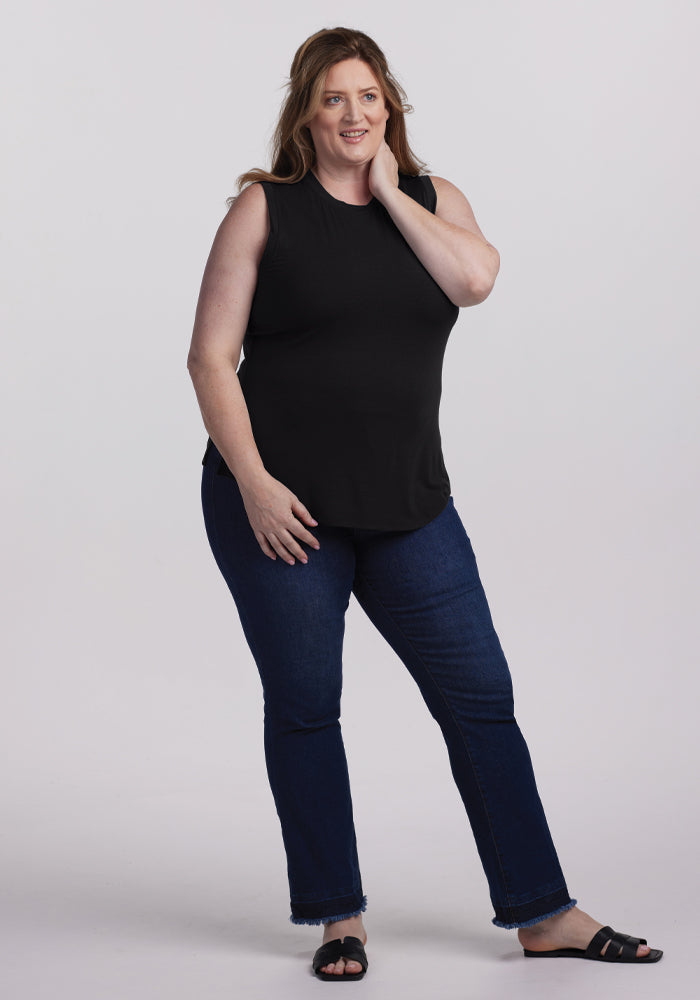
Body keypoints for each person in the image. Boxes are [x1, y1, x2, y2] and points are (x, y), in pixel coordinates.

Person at [187, 26, 662, 981]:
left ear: (391, 109)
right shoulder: (263, 209)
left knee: (481, 700)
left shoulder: (436, 202)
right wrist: (255, 485)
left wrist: (393, 193)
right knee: (308, 705)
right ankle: (337, 917)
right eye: (332, 99)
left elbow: (476, 280)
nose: (352, 114)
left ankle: (543, 910)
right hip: (285, 511)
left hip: (409, 504)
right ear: (305, 115)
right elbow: (210, 358)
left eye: (369, 97)